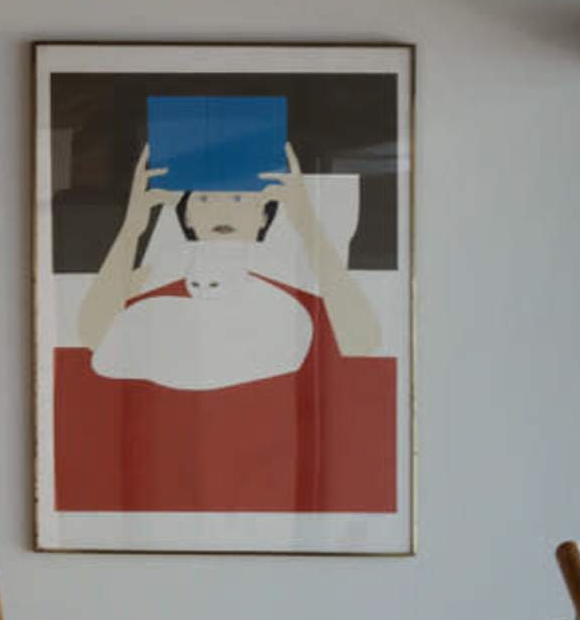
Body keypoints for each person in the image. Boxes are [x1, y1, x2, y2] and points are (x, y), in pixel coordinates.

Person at [57, 104, 396, 522]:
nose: (222, 210)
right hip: (167, 484)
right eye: (205, 199)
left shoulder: (298, 299)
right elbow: (92, 333)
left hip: (268, 488)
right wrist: (133, 225)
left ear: (263, 216)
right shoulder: (153, 288)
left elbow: (363, 341)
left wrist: (306, 220)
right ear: (187, 216)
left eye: (238, 198)